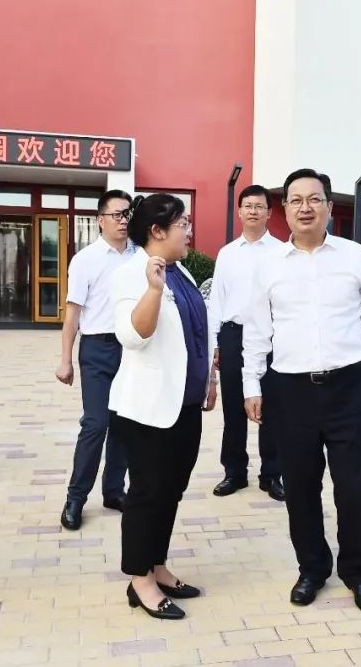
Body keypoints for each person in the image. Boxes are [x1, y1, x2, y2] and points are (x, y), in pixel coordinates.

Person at [243, 169, 361, 616]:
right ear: (284, 209)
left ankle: (358, 571)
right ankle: (312, 568)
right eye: (296, 200)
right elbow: (256, 331)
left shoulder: (356, 257)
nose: (305, 207)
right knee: (301, 487)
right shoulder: (268, 264)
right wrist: (252, 384)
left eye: (314, 199)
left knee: (353, 487)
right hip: (290, 391)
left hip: (349, 386)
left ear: (329, 206)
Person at [109, 193, 217, 619]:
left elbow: (196, 335)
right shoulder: (131, 274)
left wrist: (209, 380)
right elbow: (133, 336)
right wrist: (153, 291)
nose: (189, 231)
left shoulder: (181, 272)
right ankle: (140, 579)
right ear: (156, 230)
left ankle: (157, 565)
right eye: (182, 224)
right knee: (147, 494)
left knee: (171, 491)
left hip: (184, 405)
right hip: (149, 410)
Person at [55, 190, 136, 530]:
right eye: (116, 215)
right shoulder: (85, 259)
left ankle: (114, 491)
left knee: (124, 424)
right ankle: (75, 498)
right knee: (96, 424)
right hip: (97, 349)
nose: (123, 220)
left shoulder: (141, 255)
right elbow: (73, 313)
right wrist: (65, 360)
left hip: (132, 350)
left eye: (127, 214)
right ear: (100, 220)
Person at [207, 185, 284, 501]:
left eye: (259, 206)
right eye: (248, 206)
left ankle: (272, 474)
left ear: (269, 212)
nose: (253, 211)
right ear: (239, 212)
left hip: (272, 336)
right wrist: (215, 342)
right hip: (233, 334)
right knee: (234, 407)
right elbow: (216, 300)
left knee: (273, 405)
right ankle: (234, 472)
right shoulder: (228, 253)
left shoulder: (281, 251)